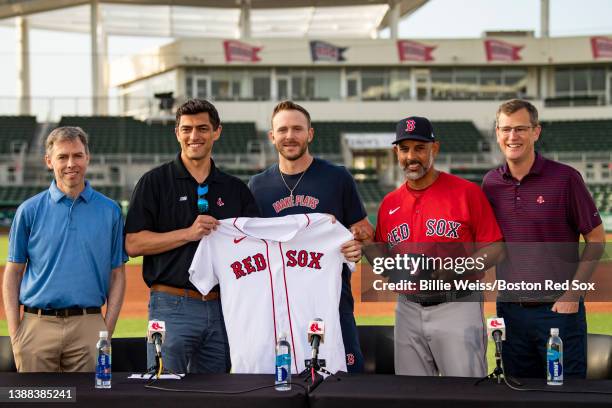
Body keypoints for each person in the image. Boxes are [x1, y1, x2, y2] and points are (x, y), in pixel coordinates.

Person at [125, 98, 259, 374]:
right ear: (177, 133)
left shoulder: (236, 189)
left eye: (202, 128)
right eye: (186, 129)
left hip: (223, 306)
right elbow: (133, 243)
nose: (194, 136)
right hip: (171, 305)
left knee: (217, 394)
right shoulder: (154, 182)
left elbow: (258, 246)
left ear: (217, 132)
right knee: (165, 389)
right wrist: (188, 234)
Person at [482, 99, 606, 379]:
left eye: (521, 129)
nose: (512, 137)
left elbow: (596, 239)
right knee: (517, 391)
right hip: (510, 310)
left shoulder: (565, 179)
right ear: (497, 133)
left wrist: (573, 294)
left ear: (536, 132)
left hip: (557, 310)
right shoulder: (490, 183)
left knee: (565, 392)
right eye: (506, 129)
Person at [248, 100, 373, 373]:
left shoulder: (337, 177)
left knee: (346, 381)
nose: (289, 136)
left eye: (297, 129)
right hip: (279, 307)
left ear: (310, 134)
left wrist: (358, 245)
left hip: (332, 300)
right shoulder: (257, 186)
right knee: (281, 383)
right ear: (272, 136)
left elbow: (364, 232)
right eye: (282, 130)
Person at [372, 116, 503, 377]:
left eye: (419, 148)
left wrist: (459, 269)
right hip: (407, 307)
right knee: (412, 392)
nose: (411, 156)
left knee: (466, 392)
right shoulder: (389, 203)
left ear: (435, 148)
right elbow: (383, 262)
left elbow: (496, 248)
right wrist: (367, 244)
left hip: (457, 305)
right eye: (404, 148)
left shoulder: (466, 192)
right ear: (396, 152)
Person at [3, 126, 126, 372]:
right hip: (36, 325)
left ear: (87, 158)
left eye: (78, 155)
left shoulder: (110, 210)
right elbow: (13, 273)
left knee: (90, 401)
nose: (71, 163)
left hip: (89, 324)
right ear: (49, 161)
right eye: (63, 156)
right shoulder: (29, 210)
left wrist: (106, 330)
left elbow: (117, 275)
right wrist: (16, 332)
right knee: (37, 401)